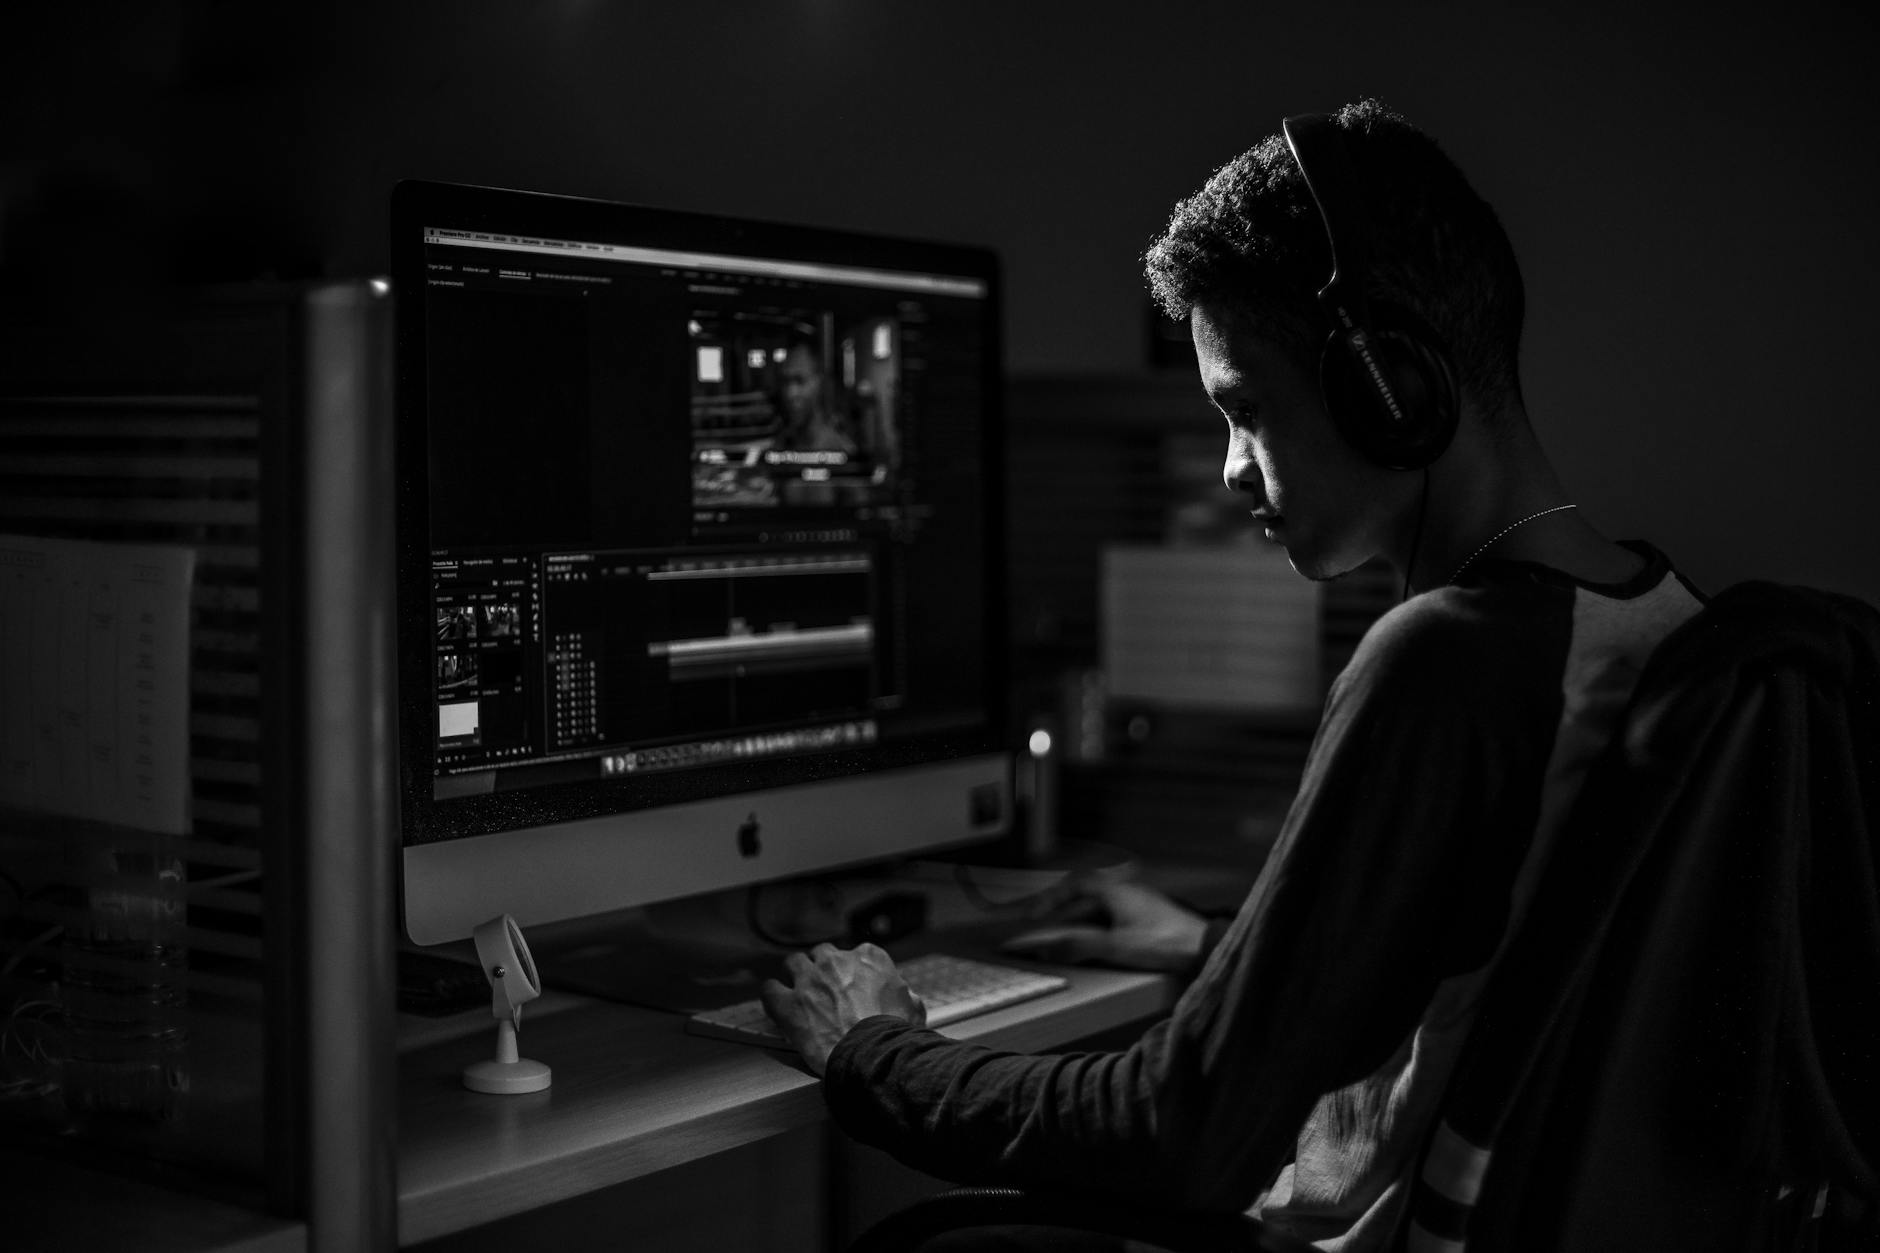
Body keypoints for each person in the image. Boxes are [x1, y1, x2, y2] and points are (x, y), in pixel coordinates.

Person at [760, 98, 1707, 1249]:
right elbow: (1484, 984)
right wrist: (1215, 950)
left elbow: (1177, 1131)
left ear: (1387, 385)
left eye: (1244, 408)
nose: (1227, 469)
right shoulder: (1660, 625)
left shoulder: (1443, 659)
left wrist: (875, 1048)